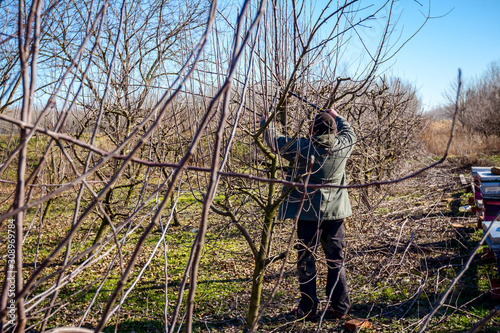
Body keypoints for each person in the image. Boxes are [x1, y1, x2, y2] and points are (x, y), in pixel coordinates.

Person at [260, 108, 356, 321]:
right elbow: (350, 132)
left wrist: (266, 120)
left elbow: (275, 141)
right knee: (336, 261)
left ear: (312, 131)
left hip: (307, 217)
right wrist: (337, 116)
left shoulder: (303, 147)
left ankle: (308, 308)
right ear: (333, 131)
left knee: (306, 261)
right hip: (335, 216)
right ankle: (340, 308)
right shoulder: (344, 146)